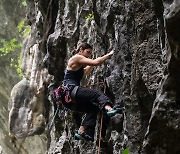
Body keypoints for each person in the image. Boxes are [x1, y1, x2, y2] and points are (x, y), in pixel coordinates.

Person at [61, 42, 119, 141]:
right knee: (97, 94)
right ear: (80, 50)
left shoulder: (77, 65)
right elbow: (95, 62)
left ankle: (81, 131)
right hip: (70, 91)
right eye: (87, 52)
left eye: (90, 54)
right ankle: (109, 109)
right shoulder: (76, 57)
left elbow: (85, 71)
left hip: (68, 101)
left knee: (93, 109)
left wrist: (94, 61)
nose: (89, 55)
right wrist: (109, 55)